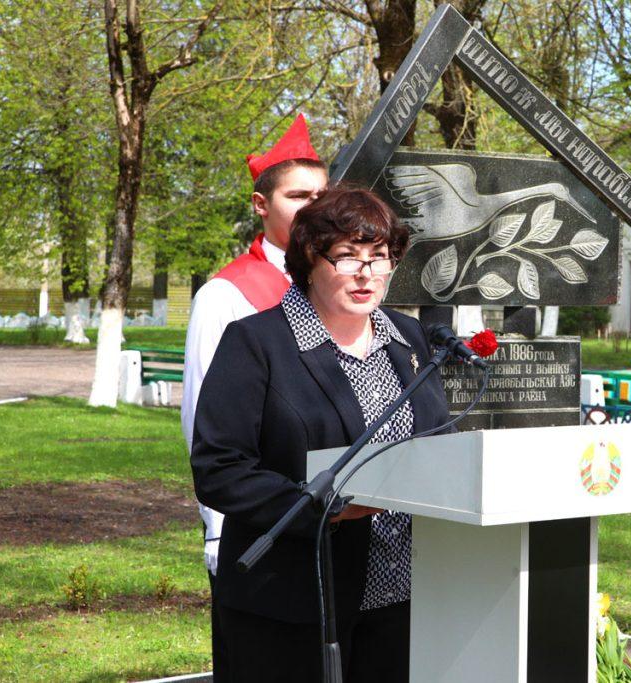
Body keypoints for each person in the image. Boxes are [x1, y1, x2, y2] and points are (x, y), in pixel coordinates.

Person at [190, 184, 451, 682]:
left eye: (379, 256)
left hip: (404, 597)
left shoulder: (409, 338)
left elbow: (437, 441)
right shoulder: (257, 343)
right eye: (347, 256)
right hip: (294, 603)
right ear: (310, 259)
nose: (367, 273)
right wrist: (325, 508)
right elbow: (219, 468)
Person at [180, 113, 328, 680]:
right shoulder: (228, 295)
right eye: (298, 196)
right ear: (262, 205)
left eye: (322, 196)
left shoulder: (343, 284)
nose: (314, 208)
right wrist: (218, 526)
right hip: (258, 521)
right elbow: (204, 422)